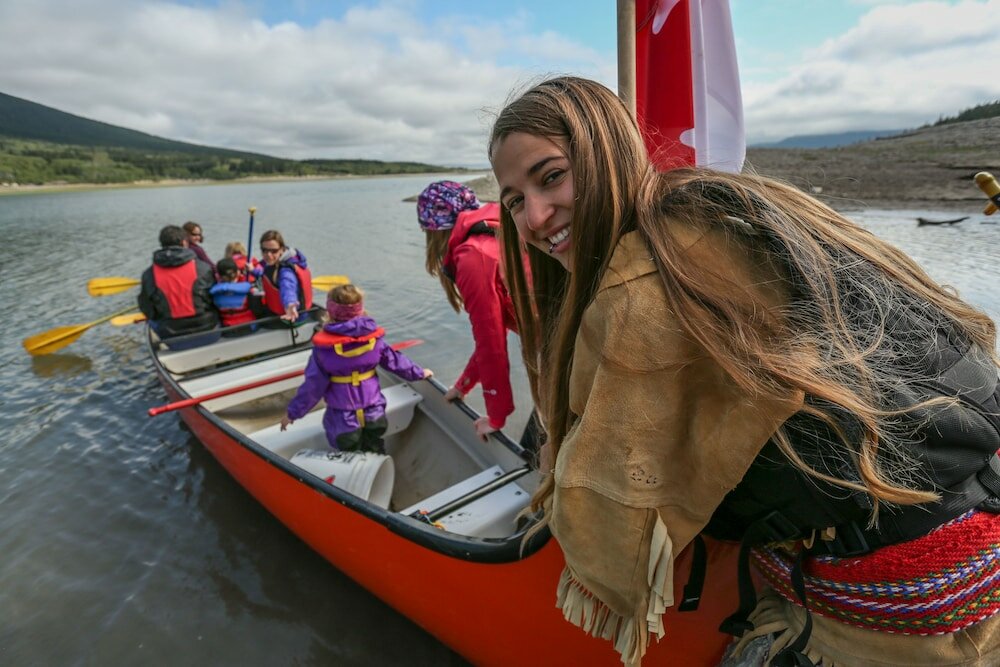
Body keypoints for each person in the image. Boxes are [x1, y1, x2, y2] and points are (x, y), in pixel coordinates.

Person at [489, 76, 1000, 666]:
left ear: (606, 151)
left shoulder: (641, 285)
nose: (533, 216)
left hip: (907, 612)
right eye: (513, 201)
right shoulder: (720, 206)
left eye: (551, 176)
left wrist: (557, 479)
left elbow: (610, 521)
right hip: (978, 513)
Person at [417, 181, 519, 442]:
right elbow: (493, 333)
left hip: (569, 347)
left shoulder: (473, 256)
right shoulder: (497, 230)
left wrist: (496, 418)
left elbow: (491, 345)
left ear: (434, 231)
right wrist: (463, 385)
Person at [280, 284, 432, 453]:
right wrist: (420, 373)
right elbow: (397, 362)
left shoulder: (323, 350)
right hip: (375, 416)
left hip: (343, 422)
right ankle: (376, 468)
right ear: (360, 310)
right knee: (375, 447)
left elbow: (313, 387)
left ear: (329, 312)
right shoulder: (375, 341)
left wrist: (292, 414)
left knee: (349, 455)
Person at [138, 224, 219, 346]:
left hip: (171, 336)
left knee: (151, 322)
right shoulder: (203, 268)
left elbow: (147, 308)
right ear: (185, 243)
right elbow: (215, 299)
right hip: (208, 331)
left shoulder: (148, 274)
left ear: (162, 244)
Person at [256, 229, 313, 323]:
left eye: (273, 251)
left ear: (282, 249)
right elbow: (263, 272)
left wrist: (290, 304)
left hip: (290, 317)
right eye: (264, 250)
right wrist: (252, 271)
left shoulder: (285, 271)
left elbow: (288, 286)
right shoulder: (273, 262)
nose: (269, 255)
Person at [209, 257, 257, 335]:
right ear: (238, 273)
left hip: (228, 330)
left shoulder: (214, 293)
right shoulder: (247, 290)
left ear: (218, 276)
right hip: (249, 328)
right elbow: (256, 309)